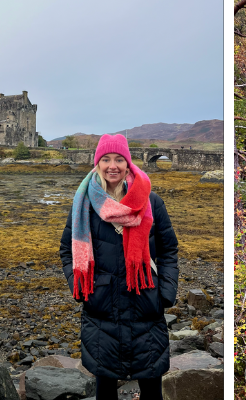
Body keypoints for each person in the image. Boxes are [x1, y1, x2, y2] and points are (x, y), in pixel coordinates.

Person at [60, 134, 179, 400]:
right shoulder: (84, 204)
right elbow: (67, 250)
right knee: (105, 391)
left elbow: (169, 250)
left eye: (119, 159)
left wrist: (166, 293)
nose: (112, 165)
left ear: (128, 164)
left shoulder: (151, 202)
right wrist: (80, 289)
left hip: (146, 306)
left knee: (152, 391)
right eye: (106, 159)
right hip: (101, 310)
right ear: (97, 163)